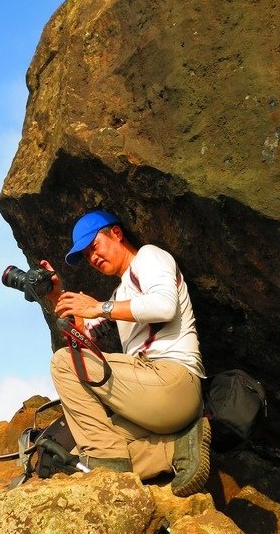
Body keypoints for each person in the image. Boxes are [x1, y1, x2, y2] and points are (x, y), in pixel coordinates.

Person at [40, 208, 210, 495]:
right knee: (80, 451)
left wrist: (98, 307)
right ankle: (177, 449)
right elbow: (83, 349)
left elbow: (164, 306)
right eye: (86, 256)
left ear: (116, 234)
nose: (92, 258)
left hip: (174, 381)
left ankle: (110, 467)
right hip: (153, 403)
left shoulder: (149, 257)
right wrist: (57, 298)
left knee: (61, 363)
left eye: (94, 247)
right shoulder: (121, 295)